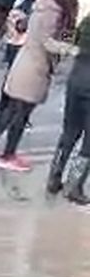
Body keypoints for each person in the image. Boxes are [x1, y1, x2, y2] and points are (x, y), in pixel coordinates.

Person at [0, 0, 79, 172]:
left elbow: (64, 34)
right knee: (21, 115)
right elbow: (48, 42)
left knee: (11, 110)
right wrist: (71, 49)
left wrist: (68, 39)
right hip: (35, 68)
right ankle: (8, 155)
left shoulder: (43, 7)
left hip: (24, 63)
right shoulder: (52, 13)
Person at [48, 13, 90, 204]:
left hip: (77, 79)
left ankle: (54, 178)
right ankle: (74, 186)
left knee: (69, 132)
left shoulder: (88, 19)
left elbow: (70, 36)